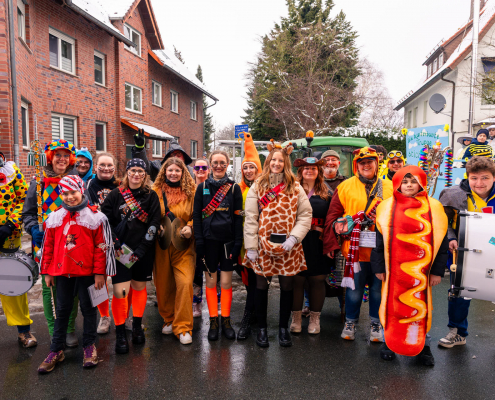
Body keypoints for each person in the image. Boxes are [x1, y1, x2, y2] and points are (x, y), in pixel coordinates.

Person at [37, 175, 115, 373]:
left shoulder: (95, 217)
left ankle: (89, 346)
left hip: (87, 272)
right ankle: (56, 349)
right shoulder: (55, 217)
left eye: (73, 192)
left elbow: (101, 247)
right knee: (62, 310)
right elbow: (48, 245)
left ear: (81, 191)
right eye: (65, 193)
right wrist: (47, 271)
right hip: (62, 272)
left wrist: (99, 273)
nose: (69, 197)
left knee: (88, 309)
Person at [371, 166, 448, 366]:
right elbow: (379, 241)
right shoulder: (386, 207)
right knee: (391, 306)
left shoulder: (434, 207)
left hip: (422, 272)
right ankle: (389, 343)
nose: (409, 185)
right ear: (397, 183)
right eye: (404, 181)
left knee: (421, 309)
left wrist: (437, 271)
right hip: (393, 272)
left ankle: (423, 347)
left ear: (422, 183)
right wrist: (379, 267)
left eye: (413, 181)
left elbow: (442, 243)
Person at [243, 140, 312, 348]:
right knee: (261, 286)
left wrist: (294, 238)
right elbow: (251, 217)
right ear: (268, 161)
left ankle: (283, 328)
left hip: (288, 247)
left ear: (286, 163)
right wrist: (251, 247)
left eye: (281, 160)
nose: (276, 163)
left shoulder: (295, 186)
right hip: (262, 246)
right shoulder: (258, 185)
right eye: (273, 160)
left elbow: (305, 215)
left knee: (287, 287)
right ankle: (262, 329)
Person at [323, 147, 393, 342]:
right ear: (356, 166)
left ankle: (376, 324)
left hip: (381, 252)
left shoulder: (389, 187)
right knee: (354, 291)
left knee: (378, 291)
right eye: (362, 163)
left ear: (376, 164)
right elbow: (332, 216)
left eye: (370, 162)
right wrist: (331, 243)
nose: (366, 165)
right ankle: (350, 322)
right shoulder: (345, 186)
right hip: (354, 251)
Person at [22, 139, 80, 347]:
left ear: (70, 159)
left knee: (72, 285)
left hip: (71, 241)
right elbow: (28, 213)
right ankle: (55, 330)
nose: (62, 159)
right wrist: (32, 229)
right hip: (46, 242)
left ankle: (69, 328)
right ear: (50, 158)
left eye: (65, 156)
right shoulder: (38, 182)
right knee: (49, 286)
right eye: (58, 155)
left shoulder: (76, 182)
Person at [101, 158, 161, 354]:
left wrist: (143, 248)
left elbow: (154, 223)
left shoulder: (151, 196)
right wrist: (115, 242)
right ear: (127, 172)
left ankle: (136, 326)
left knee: (139, 287)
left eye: (140, 171)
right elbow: (106, 221)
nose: (136, 174)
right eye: (133, 170)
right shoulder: (115, 195)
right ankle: (120, 332)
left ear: (145, 175)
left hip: (143, 250)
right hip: (120, 251)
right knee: (120, 291)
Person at [438, 156, 495, 348]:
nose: (479, 183)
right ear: (467, 177)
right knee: (459, 293)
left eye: (485, 178)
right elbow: (443, 222)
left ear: (494, 177)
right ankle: (457, 332)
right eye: (474, 178)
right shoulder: (453, 194)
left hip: (493, 251)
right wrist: (450, 238)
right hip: (463, 252)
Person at [193, 150, 243, 341]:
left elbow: (238, 218)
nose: (219, 166)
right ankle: (213, 320)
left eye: (222, 163)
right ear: (210, 165)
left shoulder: (234, 188)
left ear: (227, 164)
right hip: (208, 242)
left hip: (227, 243)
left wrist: (237, 243)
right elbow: (197, 216)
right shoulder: (202, 187)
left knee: (226, 283)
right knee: (211, 282)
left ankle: (226, 321)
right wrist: (199, 241)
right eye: (215, 163)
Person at [153, 157, 196, 345]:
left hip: (184, 246)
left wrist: (191, 227)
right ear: (164, 171)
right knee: (163, 284)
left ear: (183, 172)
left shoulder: (192, 192)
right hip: (161, 246)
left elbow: (198, 215)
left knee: (185, 283)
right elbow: (148, 214)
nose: (173, 173)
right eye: (170, 170)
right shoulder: (155, 191)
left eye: (177, 170)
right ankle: (169, 318)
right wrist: (156, 226)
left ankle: (183, 326)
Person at [290, 157, 333, 335]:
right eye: (306, 168)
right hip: (297, 241)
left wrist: (330, 244)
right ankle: (296, 319)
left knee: (317, 280)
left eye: (313, 168)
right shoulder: (291, 190)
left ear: (319, 172)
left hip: (318, 241)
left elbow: (332, 219)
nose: (309, 171)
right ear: (300, 171)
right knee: (297, 280)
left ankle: (315, 319)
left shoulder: (327, 193)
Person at [0, 153, 35, 347]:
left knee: (12, 282)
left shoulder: (11, 171)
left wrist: (10, 224)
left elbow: (24, 200)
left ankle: (24, 330)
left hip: (8, 235)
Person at [86, 153, 120, 334]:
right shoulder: (88, 185)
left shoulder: (121, 185)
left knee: (122, 278)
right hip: (97, 238)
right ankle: (104, 316)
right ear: (96, 166)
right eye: (102, 165)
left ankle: (123, 314)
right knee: (99, 279)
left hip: (119, 237)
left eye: (109, 165)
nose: (106, 168)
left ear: (114, 167)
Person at [237, 132, 262, 340]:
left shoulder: (265, 189)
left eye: (251, 167)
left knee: (256, 279)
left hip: (259, 242)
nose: (248, 171)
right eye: (245, 167)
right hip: (242, 243)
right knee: (247, 279)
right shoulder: (238, 188)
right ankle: (252, 311)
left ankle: (249, 316)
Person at [191, 158, 210, 318]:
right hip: (193, 234)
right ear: (193, 170)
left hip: (211, 233)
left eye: (204, 167)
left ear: (208, 169)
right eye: (197, 167)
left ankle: (217, 302)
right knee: (196, 271)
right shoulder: (189, 188)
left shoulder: (213, 186)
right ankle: (196, 302)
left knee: (213, 271)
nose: (201, 170)